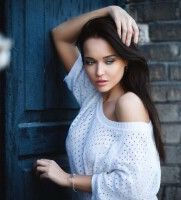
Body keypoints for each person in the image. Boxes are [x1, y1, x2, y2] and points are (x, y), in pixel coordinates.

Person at [34, 5, 165, 200]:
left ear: (126, 60)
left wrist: (68, 178)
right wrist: (110, 10)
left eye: (109, 61)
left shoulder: (128, 103)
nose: (99, 72)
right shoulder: (91, 95)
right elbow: (60, 36)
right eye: (90, 61)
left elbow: (135, 186)